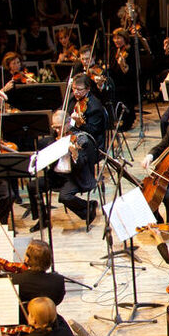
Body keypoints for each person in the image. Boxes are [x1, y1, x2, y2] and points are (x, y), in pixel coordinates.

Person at [58, 74, 107, 226]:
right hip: (75, 137)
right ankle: (65, 175)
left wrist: (80, 124)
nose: (76, 93)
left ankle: (76, 181)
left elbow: (93, 131)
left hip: (92, 145)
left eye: (79, 90)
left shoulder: (94, 107)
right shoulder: (73, 100)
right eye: (74, 89)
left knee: (75, 159)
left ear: (87, 89)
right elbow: (63, 114)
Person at [9, 240, 67, 305]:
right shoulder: (59, 280)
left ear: (27, 259)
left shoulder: (14, 279)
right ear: (49, 260)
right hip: (48, 311)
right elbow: (57, 301)